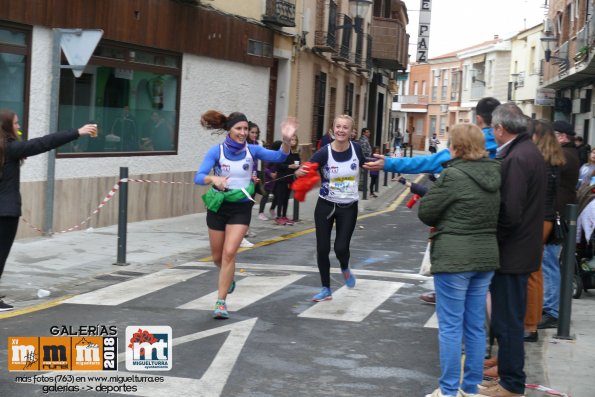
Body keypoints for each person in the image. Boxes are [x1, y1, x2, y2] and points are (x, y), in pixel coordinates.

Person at [418, 123, 501, 397]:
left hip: (455, 257)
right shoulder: (494, 173)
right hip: (485, 256)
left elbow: (427, 212)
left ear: (456, 147)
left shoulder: (453, 175)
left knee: (451, 327)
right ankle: (471, 388)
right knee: (475, 325)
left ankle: (449, 390)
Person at [194, 110, 297, 319]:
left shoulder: (253, 150)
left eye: (245, 129)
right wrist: (213, 180)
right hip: (218, 206)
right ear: (229, 130)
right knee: (217, 257)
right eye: (238, 129)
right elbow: (199, 177)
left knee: (229, 252)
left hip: (241, 208)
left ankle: (221, 302)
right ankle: (228, 276)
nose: (243, 133)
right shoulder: (217, 152)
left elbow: (279, 156)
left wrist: (286, 141)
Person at [0, 109, 97, 311]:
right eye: (16, 124)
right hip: (6, 213)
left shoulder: (6, 150)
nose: (18, 127)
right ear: (6, 126)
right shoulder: (11, 148)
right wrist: (77, 132)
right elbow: (43, 143)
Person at [480, 103, 546, 397]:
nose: (493, 134)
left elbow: (510, 211)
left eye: (493, 129)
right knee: (509, 319)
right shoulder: (527, 150)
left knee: (507, 321)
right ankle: (508, 375)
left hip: (512, 252)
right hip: (521, 249)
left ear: (500, 128)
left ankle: (511, 384)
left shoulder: (517, 157)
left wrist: (494, 239)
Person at [295, 115, 364, 301]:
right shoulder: (324, 152)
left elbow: (367, 164)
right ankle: (326, 288)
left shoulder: (357, 149)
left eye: (346, 127)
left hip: (348, 207)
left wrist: (387, 164)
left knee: (341, 248)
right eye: (338, 127)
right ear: (333, 129)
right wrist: (298, 172)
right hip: (325, 204)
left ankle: (344, 267)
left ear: (351, 131)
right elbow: (305, 169)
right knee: (323, 248)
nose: (341, 130)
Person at [364, 97, 500, 175]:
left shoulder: (469, 145)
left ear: (478, 119)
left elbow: (427, 162)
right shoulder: (510, 145)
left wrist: (389, 162)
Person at [522, 120, 565, 343]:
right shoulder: (552, 161)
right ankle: (531, 323)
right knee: (535, 271)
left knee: (532, 272)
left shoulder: (541, 163)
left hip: (538, 219)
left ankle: (530, 325)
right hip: (546, 219)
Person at [538, 120, 580, 330]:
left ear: (562, 136)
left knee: (548, 262)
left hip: (557, 217)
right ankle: (549, 308)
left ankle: (553, 311)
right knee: (548, 262)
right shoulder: (569, 154)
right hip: (558, 215)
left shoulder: (565, 156)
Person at [273, 135, 301, 225]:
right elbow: (278, 165)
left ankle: (284, 216)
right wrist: (289, 166)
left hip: (290, 179)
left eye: (295, 140)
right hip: (282, 178)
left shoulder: (296, 153)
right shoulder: (284, 152)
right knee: (280, 198)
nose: (293, 141)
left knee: (286, 198)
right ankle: (278, 217)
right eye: (291, 140)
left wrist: (298, 166)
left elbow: (299, 163)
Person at [257, 140, 282, 221]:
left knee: (277, 195)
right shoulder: (271, 156)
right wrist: (271, 174)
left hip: (276, 179)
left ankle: (272, 209)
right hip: (268, 180)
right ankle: (261, 213)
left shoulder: (280, 155)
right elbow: (265, 168)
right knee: (266, 195)